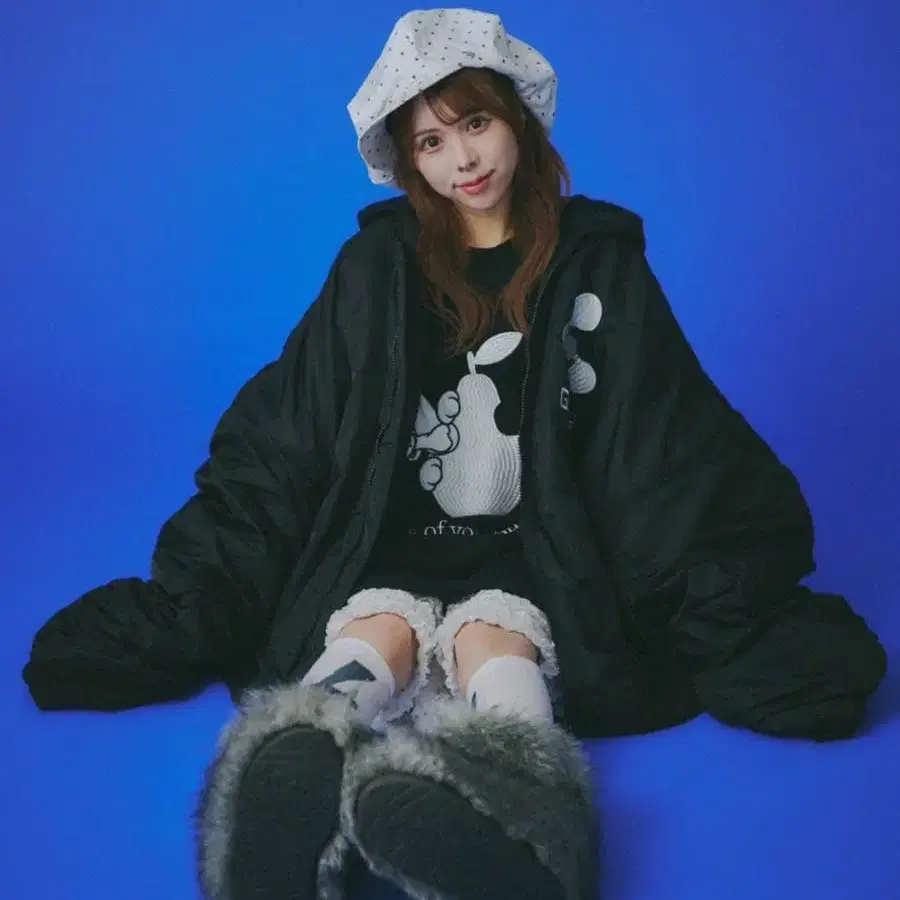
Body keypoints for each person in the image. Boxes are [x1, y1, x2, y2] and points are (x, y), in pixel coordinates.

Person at [22, 8, 887, 900]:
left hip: (537, 553)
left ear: (518, 120)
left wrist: (730, 609)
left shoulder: (596, 264)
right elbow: (289, 435)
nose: (462, 160)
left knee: (497, 642)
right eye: (431, 142)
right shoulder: (375, 267)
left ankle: (522, 818)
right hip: (388, 547)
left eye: (476, 123)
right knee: (372, 636)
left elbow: (661, 443)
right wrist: (198, 594)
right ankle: (284, 793)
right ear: (410, 163)